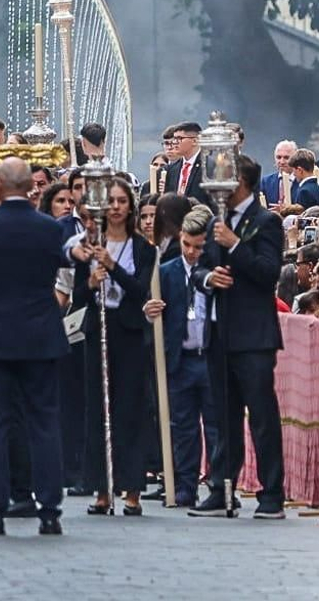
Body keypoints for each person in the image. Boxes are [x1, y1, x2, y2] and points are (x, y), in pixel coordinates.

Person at [0, 158, 77, 536]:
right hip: (41, 335)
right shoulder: (49, 228)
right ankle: (50, 510)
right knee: (44, 422)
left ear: (0, 186)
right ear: (30, 187)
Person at [190, 154, 285, 520]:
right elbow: (198, 268)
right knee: (223, 416)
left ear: (241, 181)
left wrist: (234, 245)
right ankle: (221, 487)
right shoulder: (217, 221)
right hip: (219, 331)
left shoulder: (266, 221)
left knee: (261, 416)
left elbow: (267, 272)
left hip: (254, 336)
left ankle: (271, 492)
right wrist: (207, 278)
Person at [67, 174, 155, 517]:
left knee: (130, 409)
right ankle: (101, 488)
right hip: (99, 331)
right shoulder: (88, 244)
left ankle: (132, 488)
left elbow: (139, 290)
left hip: (130, 331)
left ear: (130, 205)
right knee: (98, 409)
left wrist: (112, 267)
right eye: (111, 202)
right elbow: (78, 296)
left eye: (122, 201)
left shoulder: (143, 248)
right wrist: (90, 279)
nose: (116, 208)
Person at [142, 206, 220, 508]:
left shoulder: (216, 271)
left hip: (210, 356)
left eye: (198, 247)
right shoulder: (166, 271)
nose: (190, 252)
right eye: (186, 244)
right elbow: (151, 307)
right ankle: (185, 484)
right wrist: (149, 312)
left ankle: (217, 483)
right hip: (180, 357)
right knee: (182, 425)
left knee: (215, 426)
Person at [160, 122, 207, 203]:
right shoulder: (171, 170)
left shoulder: (208, 167)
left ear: (195, 141)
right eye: (174, 139)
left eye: (179, 138)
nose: (174, 143)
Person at [259, 140, 297, 207]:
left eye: (286, 158)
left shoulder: (302, 182)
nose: (282, 162)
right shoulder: (266, 182)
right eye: (278, 157)